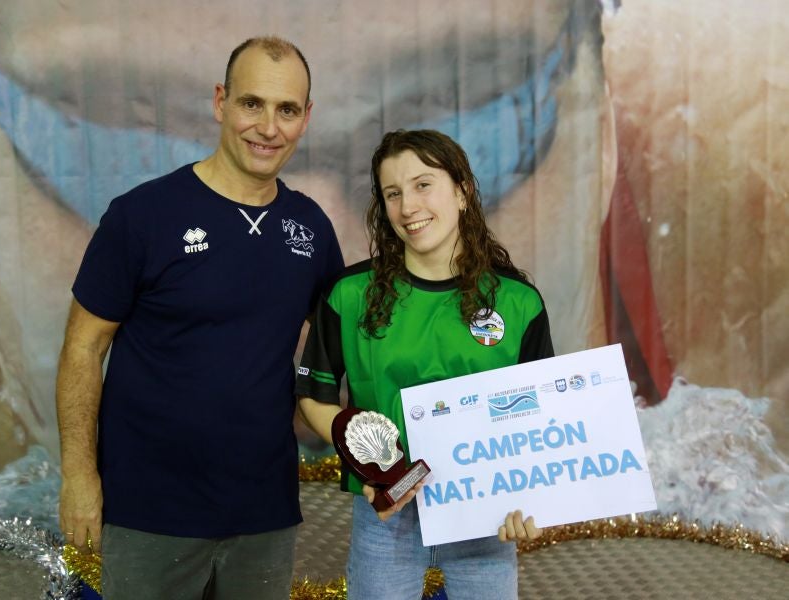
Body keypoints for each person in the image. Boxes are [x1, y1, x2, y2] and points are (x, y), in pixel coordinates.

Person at [55, 36, 344, 599]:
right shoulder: (142, 216)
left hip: (264, 513)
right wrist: (79, 476)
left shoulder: (311, 228)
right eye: (251, 104)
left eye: (287, 110)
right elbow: (83, 348)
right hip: (149, 512)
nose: (268, 127)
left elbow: (352, 349)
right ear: (220, 102)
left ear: (305, 119)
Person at [296, 129, 549, 599]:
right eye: (393, 193)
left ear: (462, 191)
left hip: (485, 518)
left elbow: (538, 421)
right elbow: (315, 395)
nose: (408, 206)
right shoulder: (350, 295)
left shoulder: (518, 303)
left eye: (422, 184)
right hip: (387, 514)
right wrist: (375, 464)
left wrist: (530, 504)